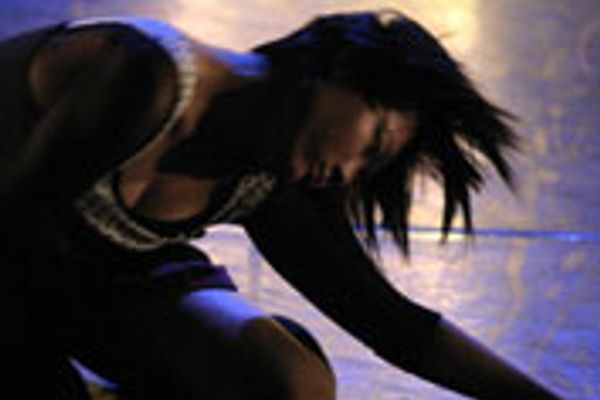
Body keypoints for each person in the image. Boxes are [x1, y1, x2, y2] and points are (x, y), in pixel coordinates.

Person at [0, 10, 563, 400]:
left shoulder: (276, 181)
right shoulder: (150, 75)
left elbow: (394, 326)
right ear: (339, 71)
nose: (348, 173)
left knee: (294, 380)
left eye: (368, 170)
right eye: (371, 146)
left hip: (79, 275)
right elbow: (14, 231)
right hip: (15, 254)